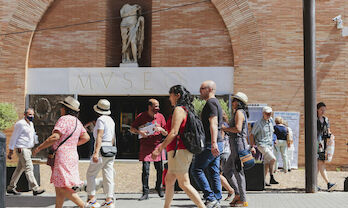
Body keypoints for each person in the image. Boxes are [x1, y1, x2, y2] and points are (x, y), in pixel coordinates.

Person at [151, 85, 206, 208]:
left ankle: (203, 207)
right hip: (178, 150)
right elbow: (175, 132)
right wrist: (164, 132)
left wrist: (159, 148)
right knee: (169, 180)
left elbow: (174, 132)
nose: (169, 98)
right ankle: (166, 206)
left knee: (184, 183)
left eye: (170, 95)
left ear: (177, 95)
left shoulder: (179, 110)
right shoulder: (184, 110)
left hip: (179, 151)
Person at [33, 96, 90, 208]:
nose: (60, 109)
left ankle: (84, 206)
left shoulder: (63, 119)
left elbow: (54, 137)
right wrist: (72, 144)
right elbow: (86, 137)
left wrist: (39, 148)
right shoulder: (77, 122)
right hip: (72, 154)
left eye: (62, 107)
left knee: (62, 186)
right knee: (59, 186)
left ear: (65, 108)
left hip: (62, 156)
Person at [191, 80, 224, 208]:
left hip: (211, 143)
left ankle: (210, 198)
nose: (200, 91)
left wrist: (214, 142)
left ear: (210, 89)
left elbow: (214, 123)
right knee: (213, 171)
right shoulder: (215, 103)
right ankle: (216, 199)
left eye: (202, 88)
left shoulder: (211, 103)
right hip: (215, 143)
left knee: (196, 169)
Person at [130, 99, 167, 200]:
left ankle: (158, 187)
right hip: (145, 145)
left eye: (158, 106)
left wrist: (161, 130)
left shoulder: (161, 117)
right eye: (155, 106)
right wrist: (139, 132)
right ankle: (145, 192)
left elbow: (166, 133)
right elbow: (132, 129)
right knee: (145, 170)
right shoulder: (141, 116)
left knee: (159, 169)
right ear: (149, 107)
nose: (157, 108)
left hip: (157, 146)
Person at [7, 108, 45, 196]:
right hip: (22, 149)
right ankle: (35, 188)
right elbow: (14, 137)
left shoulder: (31, 124)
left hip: (28, 149)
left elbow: (32, 136)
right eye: (30, 114)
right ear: (25, 115)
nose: (31, 116)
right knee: (29, 167)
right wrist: (11, 151)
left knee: (19, 169)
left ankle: (10, 187)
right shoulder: (20, 124)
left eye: (33, 115)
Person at [86, 99, 116, 208]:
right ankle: (109, 200)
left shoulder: (100, 120)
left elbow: (99, 136)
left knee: (91, 174)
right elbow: (112, 137)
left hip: (101, 148)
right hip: (110, 148)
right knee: (108, 175)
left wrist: (95, 152)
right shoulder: (111, 120)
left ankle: (92, 198)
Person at [222, 92, 250, 207]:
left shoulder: (239, 112)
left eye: (234, 100)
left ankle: (243, 200)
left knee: (238, 172)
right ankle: (237, 194)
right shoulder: (238, 112)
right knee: (227, 170)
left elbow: (238, 129)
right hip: (235, 146)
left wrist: (225, 128)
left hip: (238, 146)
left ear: (239, 103)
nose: (232, 102)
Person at [250, 106, 279, 186]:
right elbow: (252, 134)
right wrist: (252, 146)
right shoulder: (258, 123)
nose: (268, 115)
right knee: (273, 159)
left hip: (270, 145)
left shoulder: (271, 121)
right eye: (267, 113)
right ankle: (272, 177)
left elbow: (272, 132)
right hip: (261, 144)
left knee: (266, 163)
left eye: (270, 113)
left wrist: (274, 139)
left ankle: (263, 181)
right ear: (263, 113)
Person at [316, 102, 336, 191]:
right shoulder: (314, 119)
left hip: (323, 144)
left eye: (324, 109)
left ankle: (314, 183)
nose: (323, 111)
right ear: (317, 109)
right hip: (316, 144)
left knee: (318, 165)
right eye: (321, 109)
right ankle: (328, 183)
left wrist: (330, 135)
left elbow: (328, 131)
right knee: (320, 163)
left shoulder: (326, 120)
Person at [219, 111, 235, 201]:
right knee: (220, 173)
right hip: (227, 151)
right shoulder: (226, 124)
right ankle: (218, 193)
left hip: (222, 152)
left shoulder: (221, 125)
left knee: (217, 174)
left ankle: (230, 190)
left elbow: (220, 138)